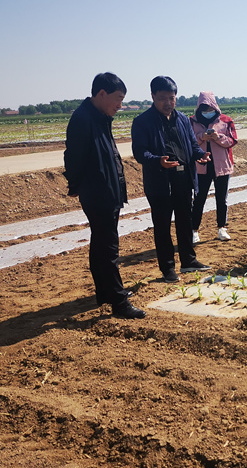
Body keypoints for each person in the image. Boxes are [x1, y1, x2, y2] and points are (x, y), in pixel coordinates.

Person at [64, 72, 145, 319]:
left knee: (100, 244)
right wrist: (77, 185)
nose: (120, 105)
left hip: (107, 190)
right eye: (118, 98)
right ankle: (118, 302)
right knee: (108, 247)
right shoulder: (82, 119)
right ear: (101, 94)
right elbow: (73, 157)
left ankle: (105, 293)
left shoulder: (99, 117)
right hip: (98, 192)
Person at [131, 76, 211, 283]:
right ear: (152, 97)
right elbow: (140, 152)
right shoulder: (142, 122)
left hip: (184, 178)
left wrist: (200, 155)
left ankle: (188, 261)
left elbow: (192, 145)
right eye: (162, 98)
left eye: (172, 98)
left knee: (185, 221)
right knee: (163, 226)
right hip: (159, 182)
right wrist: (158, 161)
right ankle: (168, 269)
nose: (168, 103)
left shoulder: (183, 119)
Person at [189, 91, 238, 243]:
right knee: (198, 199)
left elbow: (233, 141)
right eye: (204, 109)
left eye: (210, 109)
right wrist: (201, 137)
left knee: (222, 199)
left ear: (215, 107)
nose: (208, 112)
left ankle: (221, 228)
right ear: (199, 108)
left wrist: (218, 137)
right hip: (201, 167)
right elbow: (188, 142)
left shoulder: (225, 121)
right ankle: (194, 230)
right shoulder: (192, 122)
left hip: (221, 166)